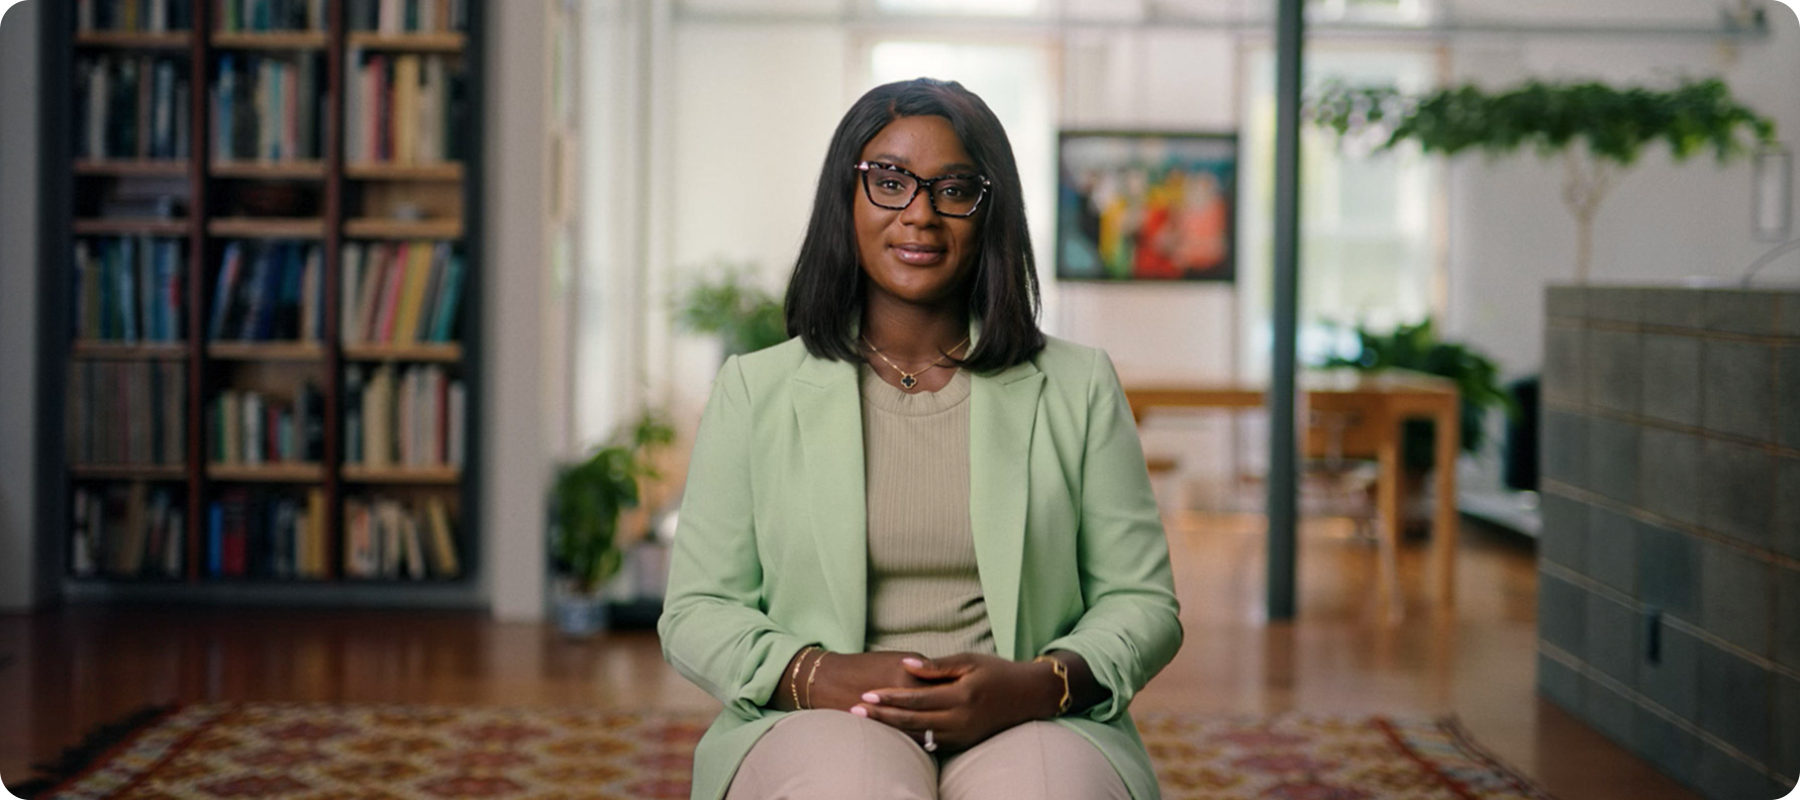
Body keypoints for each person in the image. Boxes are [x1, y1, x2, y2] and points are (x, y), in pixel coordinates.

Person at [658, 77, 1183, 800]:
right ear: (845, 197)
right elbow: (696, 611)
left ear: (991, 212)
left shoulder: (1080, 385)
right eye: (890, 182)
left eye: (955, 189)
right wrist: (817, 672)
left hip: (1030, 717)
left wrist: (1042, 682)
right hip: (820, 713)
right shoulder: (754, 391)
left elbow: (1142, 601)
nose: (920, 215)